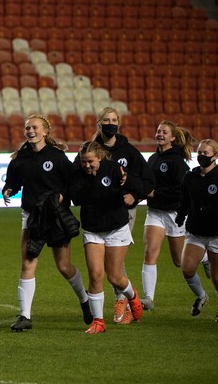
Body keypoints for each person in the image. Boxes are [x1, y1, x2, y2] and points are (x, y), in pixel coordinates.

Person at [2, 115, 91, 331]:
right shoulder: (19, 158)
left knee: (64, 266)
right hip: (31, 216)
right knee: (27, 262)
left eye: (34, 127)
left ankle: (85, 300)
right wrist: (9, 190)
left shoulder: (57, 157)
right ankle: (25, 316)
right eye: (27, 128)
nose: (30, 131)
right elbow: (13, 180)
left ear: (45, 132)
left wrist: (62, 196)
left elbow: (72, 184)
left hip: (56, 216)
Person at [79, 107, 155, 324]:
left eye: (114, 120)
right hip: (95, 216)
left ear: (118, 124)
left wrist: (135, 196)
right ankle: (116, 303)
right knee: (98, 268)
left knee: (114, 265)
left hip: (121, 212)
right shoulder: (90, 150)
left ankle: (122, 300)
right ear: (99, 124)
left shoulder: (128, 151)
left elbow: (148, 181)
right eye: (106, 120)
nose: (110, 123)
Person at [70, 141, 144, 334]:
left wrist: (128, 187)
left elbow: (138, 185)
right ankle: (98, 322)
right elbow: (76, 197)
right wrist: (92, 181)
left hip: (116, 228)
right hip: (93, 229)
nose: (87, 165)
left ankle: (133, 297)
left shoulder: (114, 169)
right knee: (95, 275)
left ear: (100, 157)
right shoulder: (78, 174)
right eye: (84, 162)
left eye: (90, 161)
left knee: (115, 277)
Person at [176, 139, 218, 322]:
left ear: (215, 156)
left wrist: (210, 212)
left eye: (205, 154)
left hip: (217, 234)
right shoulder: (189, 177)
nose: (201, 156)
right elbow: (184, 200)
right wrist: (180, 214)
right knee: (187, 269)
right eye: (199, 153)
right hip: (196, 233)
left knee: (217, 279)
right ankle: (202, 296)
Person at [140, 121, 193, 310]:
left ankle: (204, 259)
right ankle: (148, 298)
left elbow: (181, 190)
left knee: (179, 260)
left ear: (172, 137)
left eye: (164, 132)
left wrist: (156, 193)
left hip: (174, 213)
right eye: (158, 131)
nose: (160, 134)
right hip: (155, 212)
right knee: (149, 253)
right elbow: (146, 183)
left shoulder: (177, 161)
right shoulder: (152, 159)